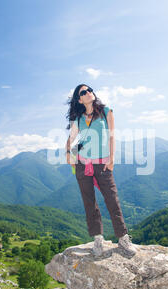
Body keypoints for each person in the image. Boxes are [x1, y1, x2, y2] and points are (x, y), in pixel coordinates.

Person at [65, 84, 137, 257]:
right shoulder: (79, 118)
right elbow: (74, 139)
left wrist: (112, 158)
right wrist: (70, 155)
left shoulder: (105, 112)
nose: (89, 93)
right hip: (82, 164)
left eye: (90, 90)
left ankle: (123, 238)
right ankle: (98, 239)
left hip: (102, 163)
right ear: (79, 99)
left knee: (112, 199)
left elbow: (112, 136)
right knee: (89, 202)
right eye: (84, 92)